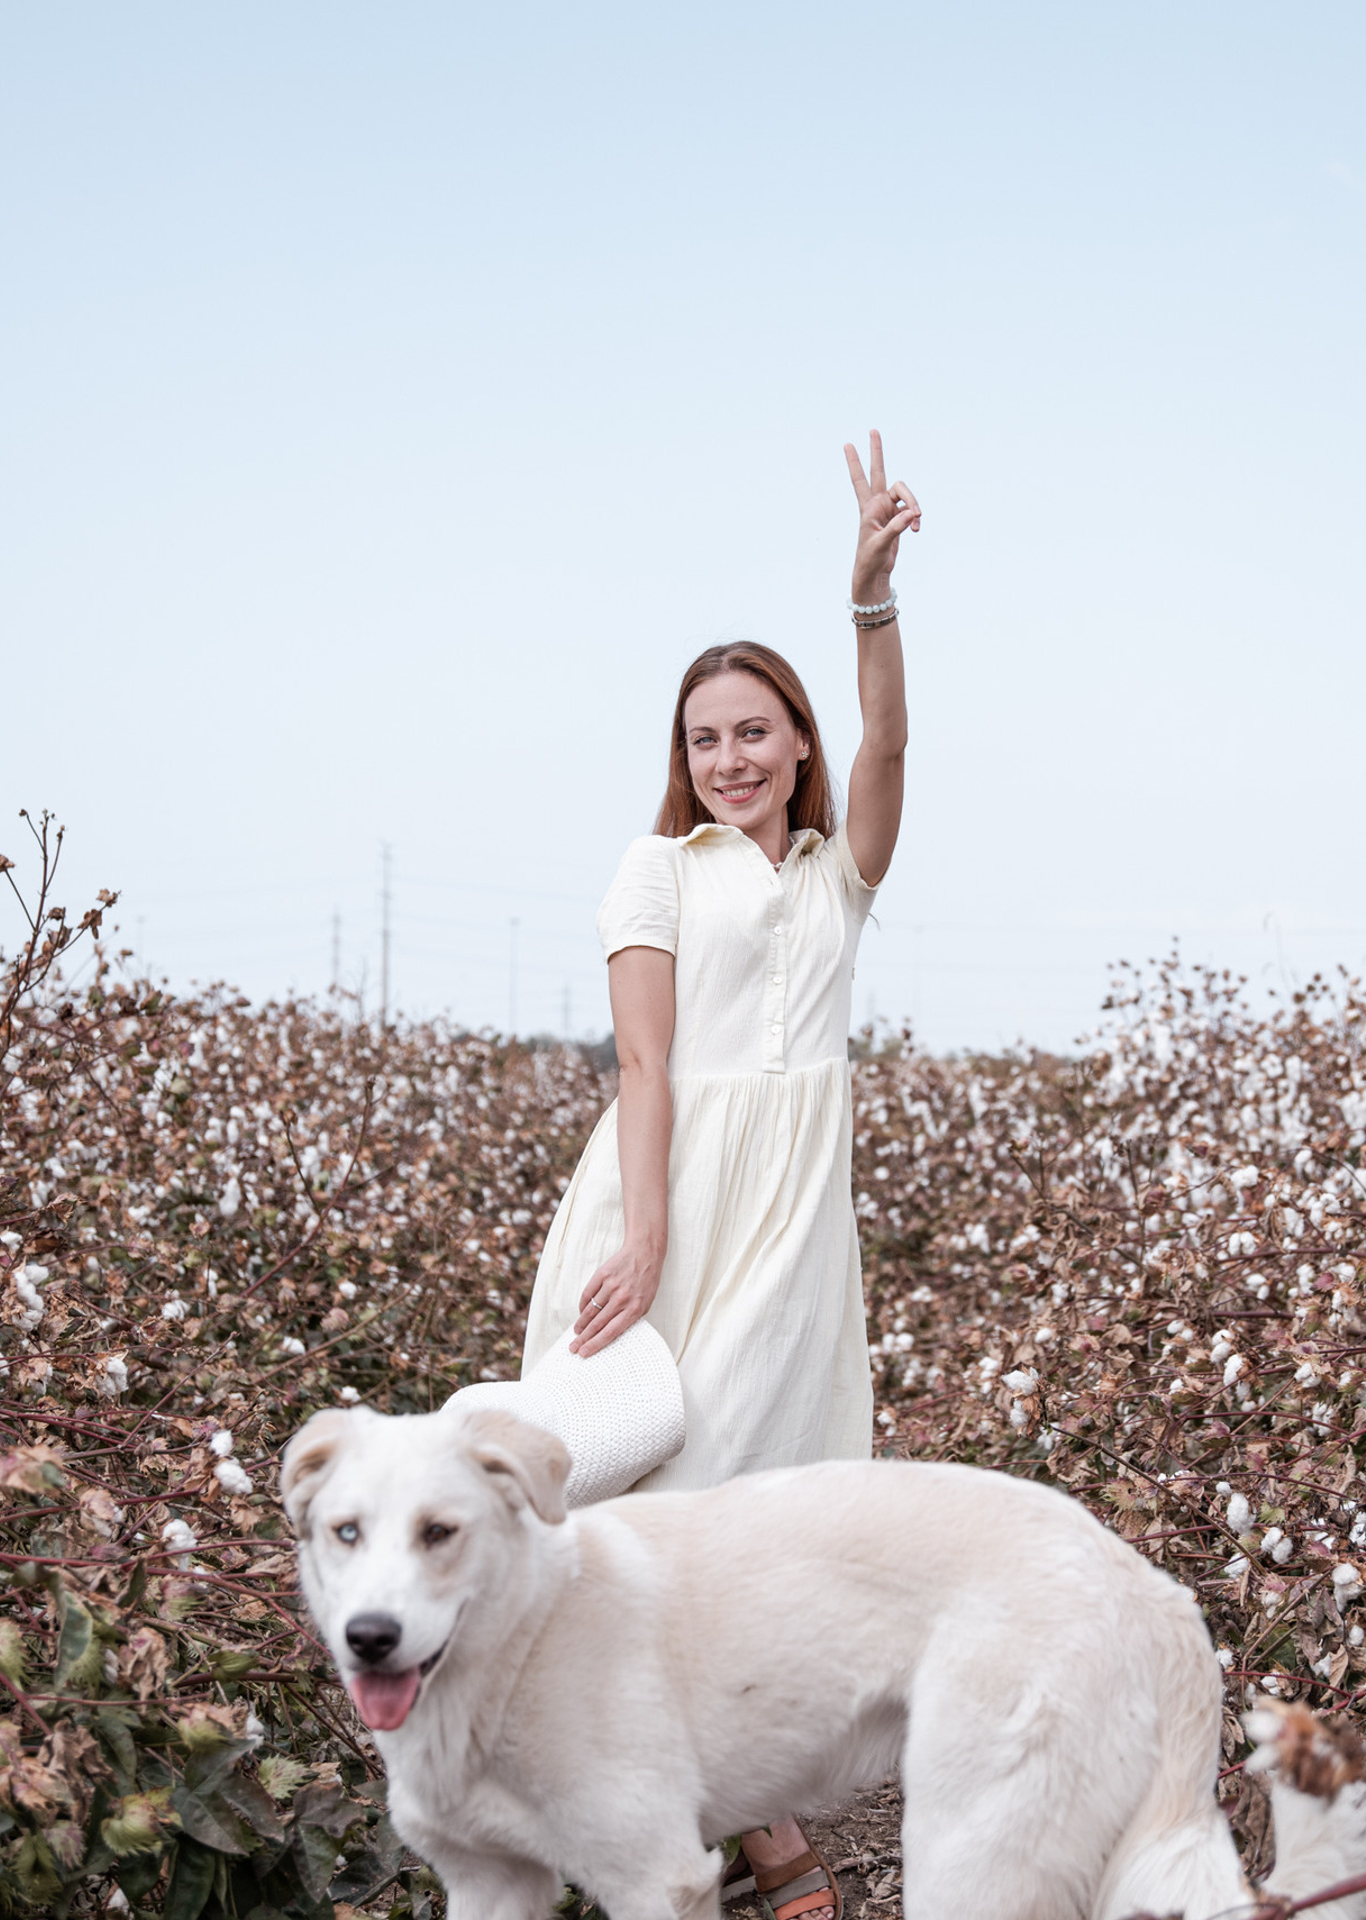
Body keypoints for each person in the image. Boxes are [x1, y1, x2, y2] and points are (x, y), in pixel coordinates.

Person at [517, 431, 917, 1920]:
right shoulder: (659, 868)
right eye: (704, 740)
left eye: (755, 732)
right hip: (671, 1202)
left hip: (795, 1222)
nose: (730, 759)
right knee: (665, 1495)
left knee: (762, 1505)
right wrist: (647, 1235)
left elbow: (891, 750)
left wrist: (870, 597)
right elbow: (645, 1064)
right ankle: (755, 1845)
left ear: (797, 742)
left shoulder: (835, 876)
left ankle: (697, 1815)